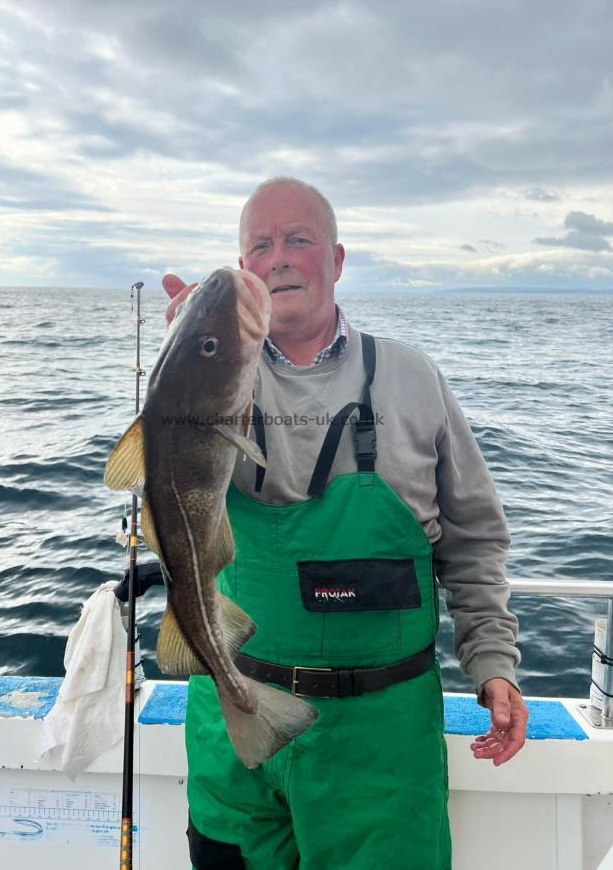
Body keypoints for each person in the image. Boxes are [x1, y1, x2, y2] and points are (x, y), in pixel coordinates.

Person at [162, 177, 528, 870]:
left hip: (381, 746)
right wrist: (185, 357)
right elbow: (163, 496)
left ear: (337, 258)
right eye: (259, 245)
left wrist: (492, 664)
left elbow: (474, 540)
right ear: (243, 270)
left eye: (298, 240)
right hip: (235, 730)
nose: (278, 258)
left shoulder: (412, 378)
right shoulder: (206, 381)